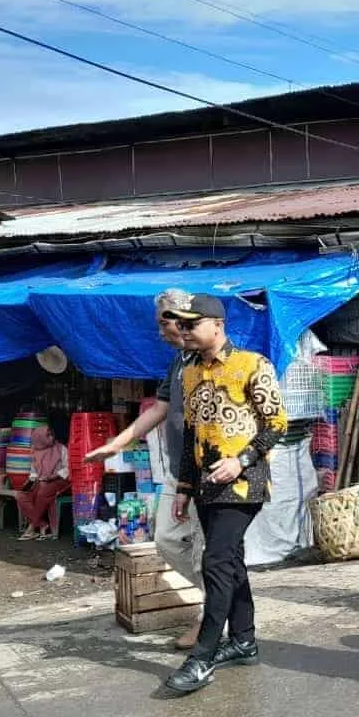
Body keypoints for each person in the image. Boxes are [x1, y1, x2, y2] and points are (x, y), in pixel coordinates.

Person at [163, 295, 288, 695]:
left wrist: (242, 459)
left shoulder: (252, 364)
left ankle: (203, 657)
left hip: (242, 482)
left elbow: (277, 423)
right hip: (204, 484)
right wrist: (183, 487)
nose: (184, 332)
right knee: (230, 560)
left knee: (215, 560)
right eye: (181, 326)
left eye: (191, 325)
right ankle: (244, 639)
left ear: (217, 324)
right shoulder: (189, 373)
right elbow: (189, 439)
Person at [86, 289, 204, 649]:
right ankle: (219, 596)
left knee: (205, 548)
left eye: (162, 322)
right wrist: (117, 444)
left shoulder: (211, 357)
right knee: (167, 539)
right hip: (179, 469)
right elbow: (159, 409)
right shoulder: (179, 361)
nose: (159, 332)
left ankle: (214, 615)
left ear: (180, 318)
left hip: (207, 469)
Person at [15, 425, 70, 541]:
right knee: (20, 496)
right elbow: (33, 472)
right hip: (42, 482)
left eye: (51, 435)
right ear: (40, 439)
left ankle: (31, 528)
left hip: (60, 481)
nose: (51, 438)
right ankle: (42, 524)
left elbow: (68, 468)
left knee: (42, 493)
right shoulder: (35, 451)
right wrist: (31, 481)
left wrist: (54, 476)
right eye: (48, 436)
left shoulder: (61, 448)